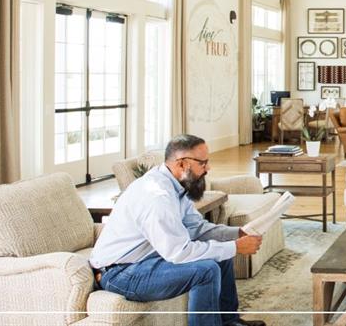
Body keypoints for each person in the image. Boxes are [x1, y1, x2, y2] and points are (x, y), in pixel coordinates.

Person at [90, 135, 266, 326]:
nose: (208, 168)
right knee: (206, 270)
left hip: (147, 260)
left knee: (220, 255)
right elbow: (179, 252)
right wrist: (236, 248)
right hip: (120, 273)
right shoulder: (157, 197)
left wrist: (237, 234)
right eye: (203, 163)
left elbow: (198, 228)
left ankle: (229, 323)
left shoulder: (175, 186)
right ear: (182, 164)